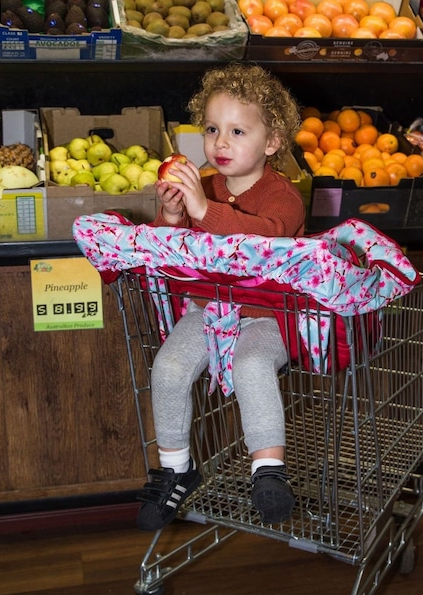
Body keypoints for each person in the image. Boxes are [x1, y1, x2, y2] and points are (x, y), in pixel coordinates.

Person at [136, 63, 306, 531]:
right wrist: (172, 217)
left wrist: (202, 210)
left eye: (237, 131)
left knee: (251, 367)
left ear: (271, 142)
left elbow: (266, 241)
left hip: (269, 317)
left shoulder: (283, 198)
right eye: (212, 129)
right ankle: (176, 469)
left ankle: (268, 471)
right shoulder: (204, 187)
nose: (220, 143)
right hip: (206, 311)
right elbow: (170, 251)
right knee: (168, 367)